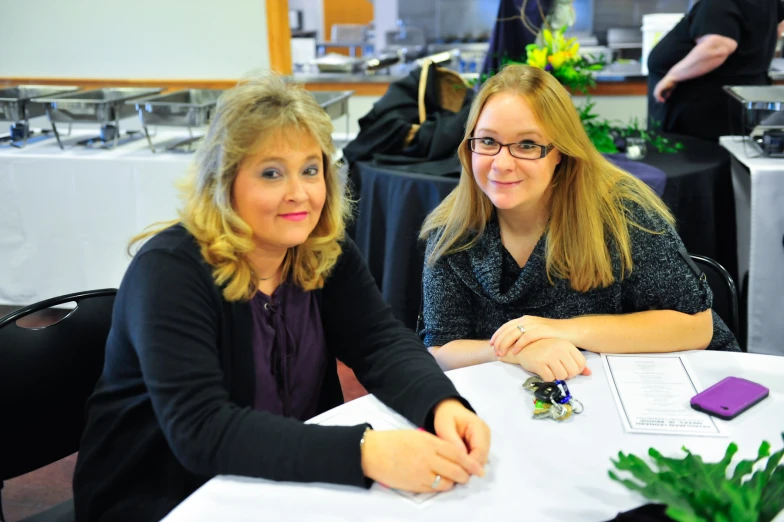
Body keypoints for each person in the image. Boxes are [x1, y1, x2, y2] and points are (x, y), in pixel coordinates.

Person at [72, 74, 490, 522]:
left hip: (282, 478)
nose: (299, 193)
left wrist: (440, 404)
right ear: (225, 181)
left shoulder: (323, 250)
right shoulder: (169, 271)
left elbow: (380, 342)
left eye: (310, 170)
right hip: (165, 494)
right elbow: (202, 430)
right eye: (271, 173)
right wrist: (367, 451)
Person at [419, 64, 740, 379]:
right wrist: (516, 350)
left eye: (527, 145)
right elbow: (440, 349)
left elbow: (697, 326)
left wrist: (561, 332)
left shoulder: (622, 213)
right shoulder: (453, 228)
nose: (502, 164)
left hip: (660, 388)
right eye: (488, 141)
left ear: (560, 151)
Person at [647, 0, 784, 141]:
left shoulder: (717, 3)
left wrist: (672, 76)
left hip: (704, 111)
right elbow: (778, 27)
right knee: (721, 157)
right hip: (734, 103)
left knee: (699, 158)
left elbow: (717, 48)